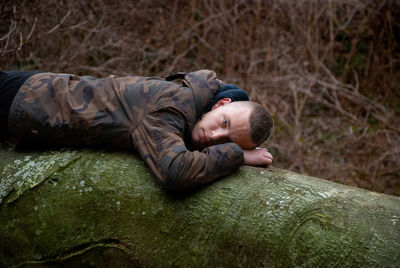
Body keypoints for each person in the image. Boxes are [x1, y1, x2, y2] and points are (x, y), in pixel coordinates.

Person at [0, 70, 273, 192]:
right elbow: (174, 170)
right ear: (221, 104)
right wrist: (237, 155)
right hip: (23, 102)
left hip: (26, 109)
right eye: (223, 123)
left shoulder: (195, 107)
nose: (213, 137)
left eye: (226, 140)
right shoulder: (176, 104)